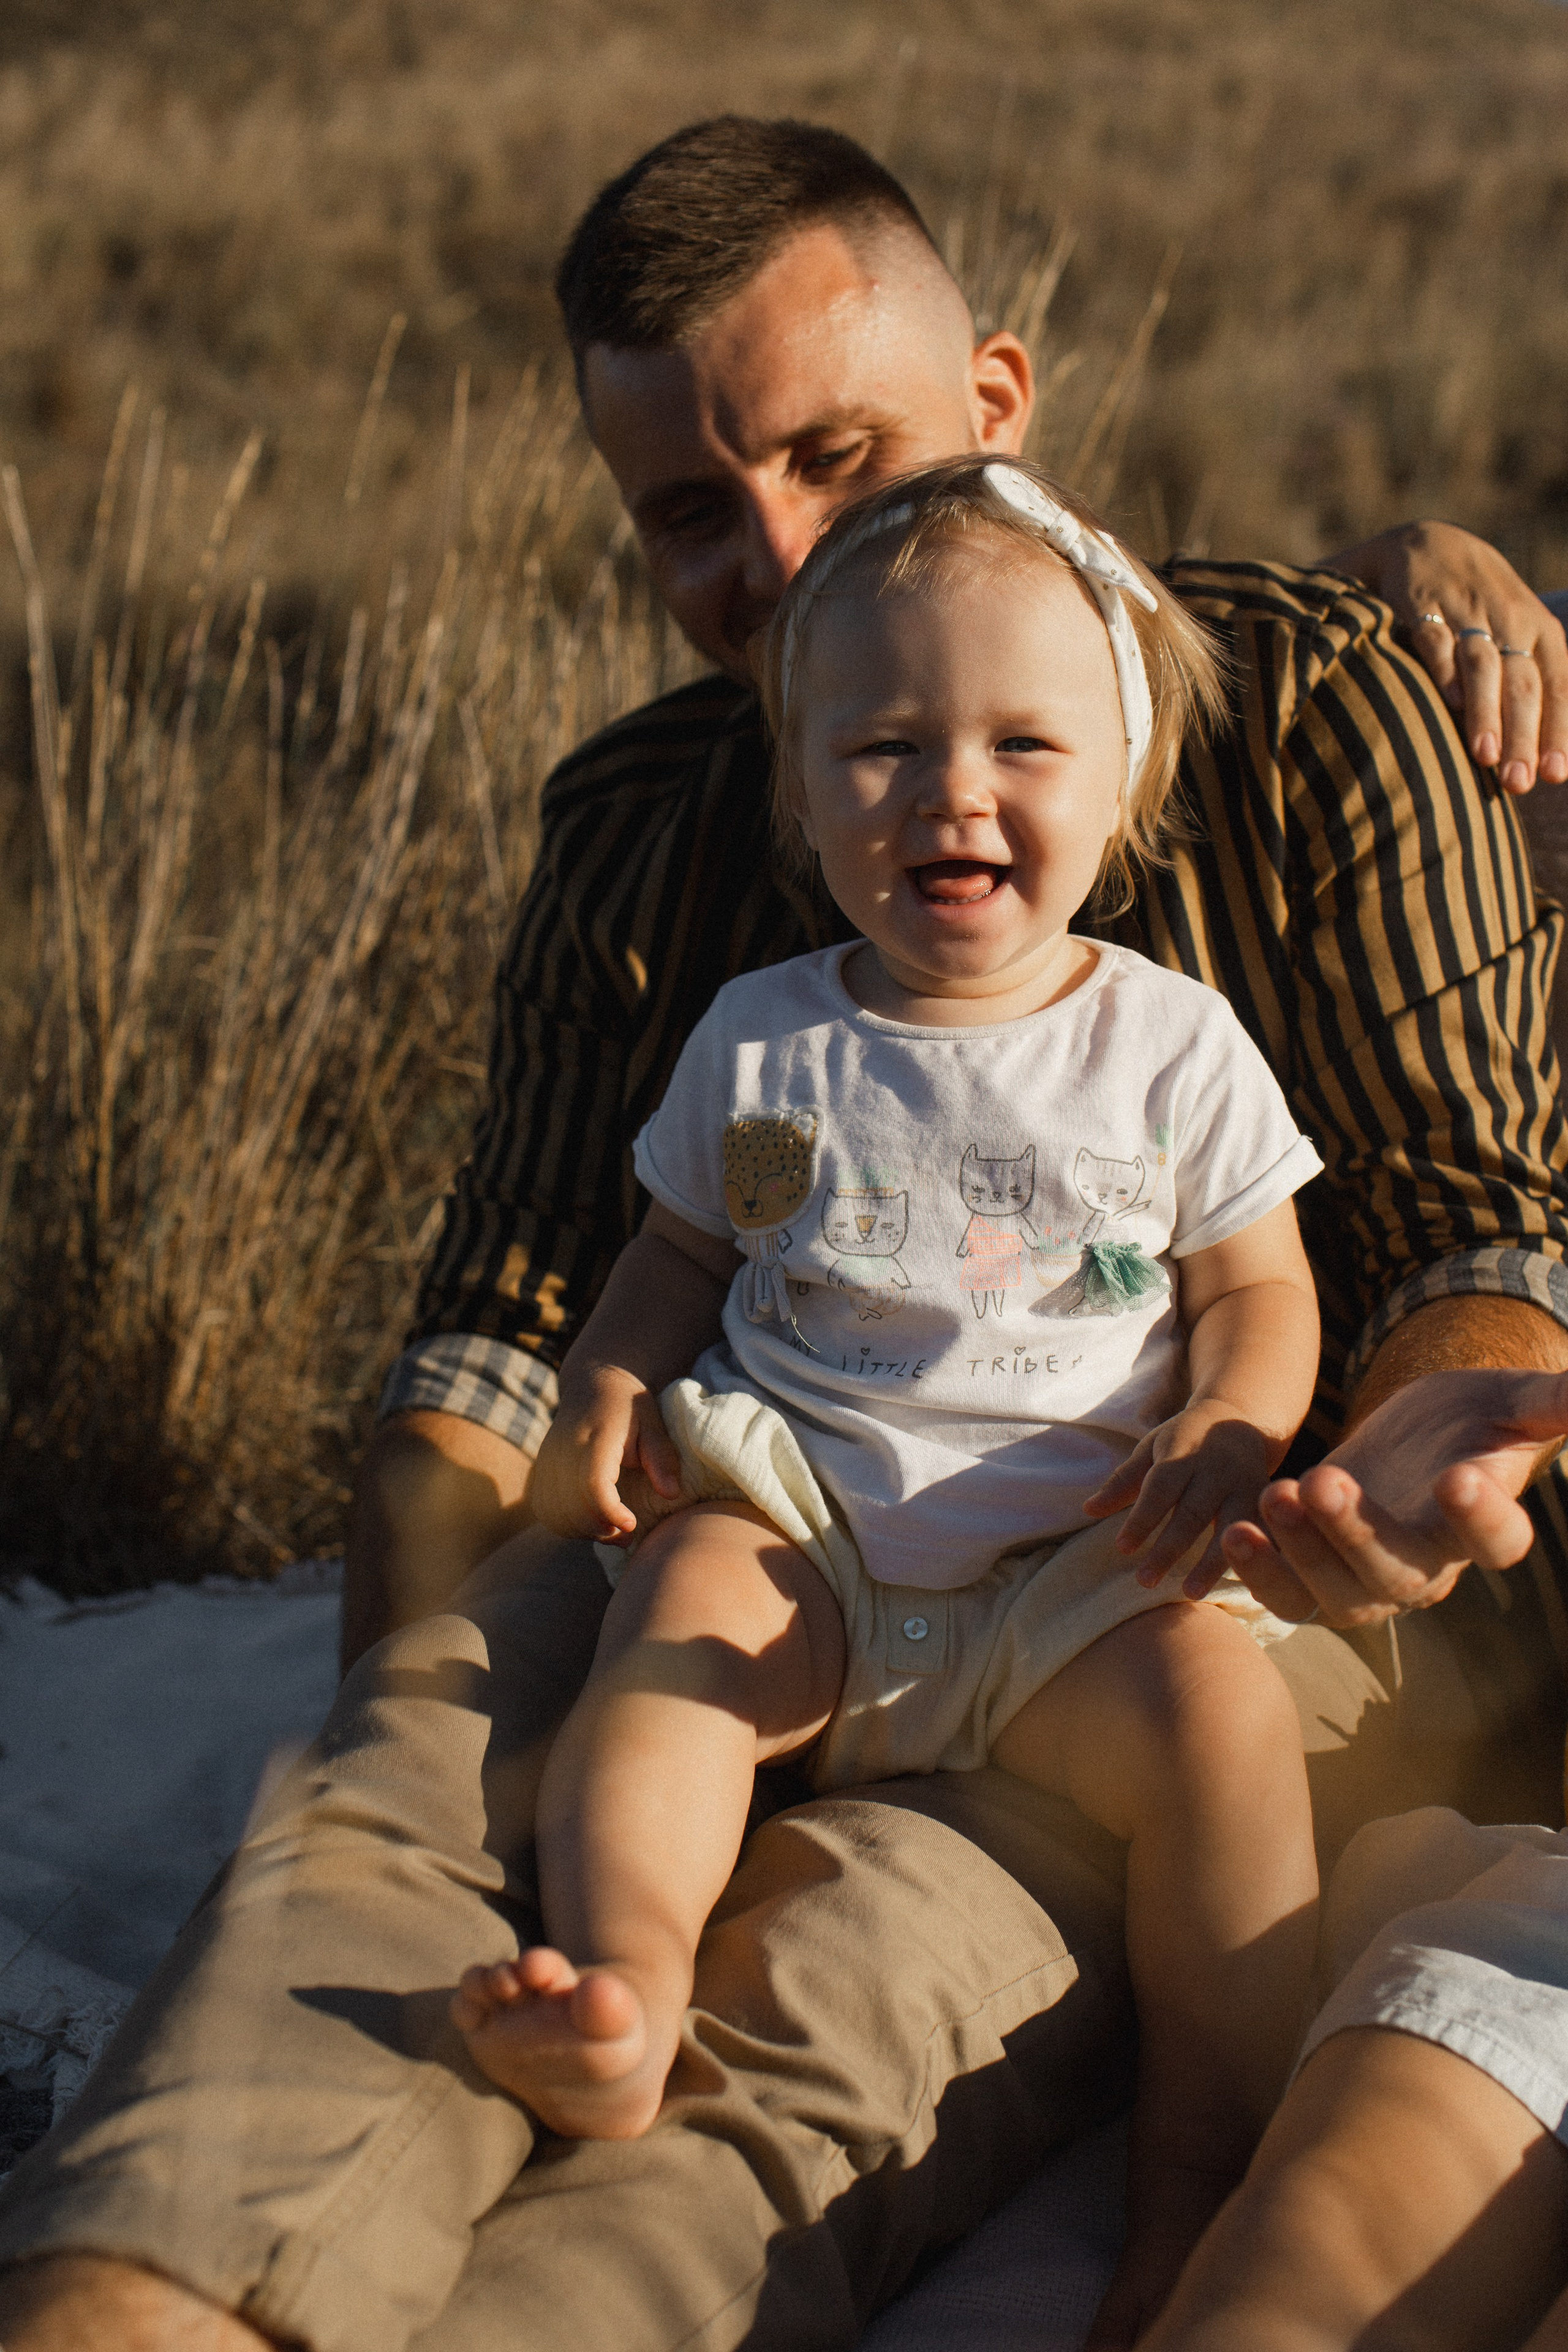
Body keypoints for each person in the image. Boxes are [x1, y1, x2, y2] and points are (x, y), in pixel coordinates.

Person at [2, 113, 1568, 2352]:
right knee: (417, 1789)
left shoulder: (1311, 700)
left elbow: (1468, 1230)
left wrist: (1347, 1453)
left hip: (1152, 1551)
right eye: (689, 513)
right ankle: (132, 2307)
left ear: (1003, 408)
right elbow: (520, 1316)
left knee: (850, 1973)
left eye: (845, 452)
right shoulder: (655, 840)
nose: (782, 555)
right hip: (762, 1505)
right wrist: (439, 1642)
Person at [453, 457, 1325, 2348]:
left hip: (1073, 1571)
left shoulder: (1166, 1044)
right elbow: (676, 1259)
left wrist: (1233, 1424)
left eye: (1025, 743)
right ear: (801, 790)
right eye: (885, 747)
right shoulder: (770, 1034)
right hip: (813, 1546)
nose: (955, 791)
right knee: (672, 1641)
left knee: (1226, 1731)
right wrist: (608, 1380)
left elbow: (1262, 1288)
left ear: (1122, 782)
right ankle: (620, 1984)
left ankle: (1201, 2173)